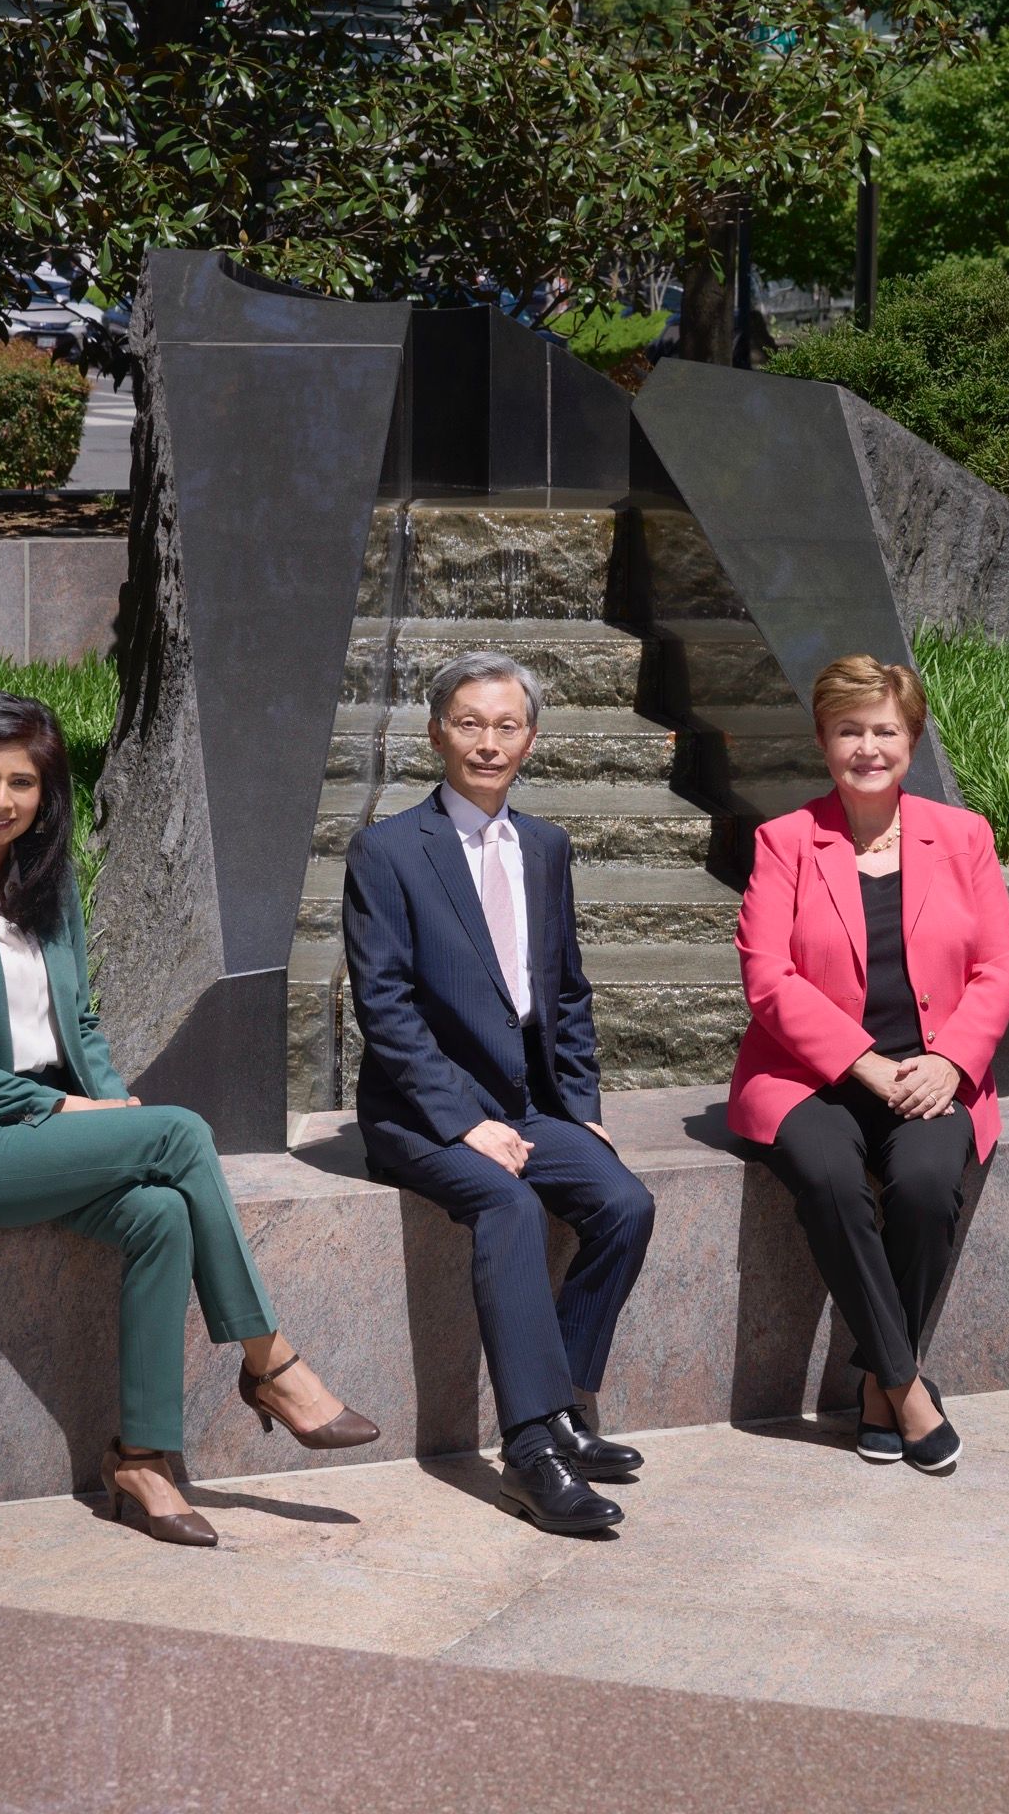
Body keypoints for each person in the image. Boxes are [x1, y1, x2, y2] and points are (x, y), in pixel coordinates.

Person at [0, 691, 376, 1549]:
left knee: (163, 1211)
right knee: (180, 1134)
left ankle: (141, 1458)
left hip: (42, 1135)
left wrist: (109, 1100)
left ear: (44, 795)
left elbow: (83, 1023)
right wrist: (69, 1107)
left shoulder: (46, 887)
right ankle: (269, 1363)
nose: (0, 800)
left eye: (21, 783)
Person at [343, 651, 657, 1536]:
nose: (488, 742)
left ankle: (563, 1407)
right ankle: (531, 1453)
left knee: (624, 1203)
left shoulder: (547, 847)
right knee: (510, 1208)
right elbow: (385, 1007)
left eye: (507, 725)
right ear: (437, 731)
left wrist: (583, 1114)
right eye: (470, 723)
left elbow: (566, 993)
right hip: (420, 1112)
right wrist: (463, 1121)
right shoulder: (389, 849)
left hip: (531, 1105)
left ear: (532, 738)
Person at [730, 654, 1009, 1476]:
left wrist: (951, 1063)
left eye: (884, 730)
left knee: (929, 1187)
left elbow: (999, 966)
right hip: (807, 1076)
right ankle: (903, 1381)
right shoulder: (785, 840)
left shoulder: (963, 836)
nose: (868, 746)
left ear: (912, 739)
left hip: (934, 1072)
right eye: (849, 730)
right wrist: (861, 1064)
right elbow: (768, 977)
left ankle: (871, 1390)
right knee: (828, 1180)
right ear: (824, 741)